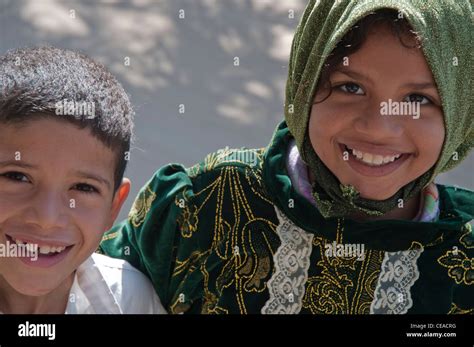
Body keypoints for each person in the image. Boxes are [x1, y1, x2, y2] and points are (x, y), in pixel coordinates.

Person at [100, 0, 473, 314]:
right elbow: (91, 290)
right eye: (350, 87)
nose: (378, 128)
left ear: (460, 113)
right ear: (305, 84)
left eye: (417, 100)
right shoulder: (208, 200)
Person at [0, 46, 165, 314]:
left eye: (83, 187)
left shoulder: (132, 300)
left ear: (114, 206)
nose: (47, 218)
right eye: (17, 177)